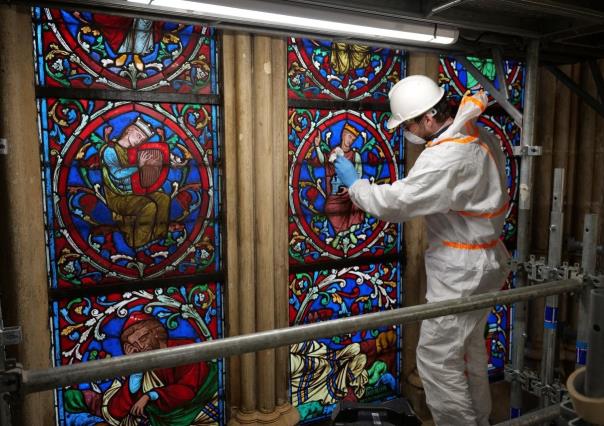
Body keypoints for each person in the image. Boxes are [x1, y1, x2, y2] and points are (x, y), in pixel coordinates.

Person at [334, 75, 510, 426]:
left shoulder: (447, 156)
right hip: (486, 258)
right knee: (469, 351)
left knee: (436, 359)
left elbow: (398, 202)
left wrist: (355, 185)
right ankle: (481, 419)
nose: (407, 132)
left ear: (429, 118)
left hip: (462, 269)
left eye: (408, 124)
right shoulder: (475, 132)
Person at [103, 312, 217, 425]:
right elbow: (116, 411)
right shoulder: (144, 365)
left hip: (205, 411)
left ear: (156, 332)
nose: (141, 347)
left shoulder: (185, 350)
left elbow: (187, 391)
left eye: (143, 338)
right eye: (135, 345)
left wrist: (150, 395)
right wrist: (137, 369)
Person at [101, 117, 171, 250]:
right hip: (118, 196)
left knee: (163, 198)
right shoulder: (110, 150)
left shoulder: (133, 152)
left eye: (142, 139)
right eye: (138, 136)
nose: (139, 141)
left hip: (136, 191)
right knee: (148, 205)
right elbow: (117, 174)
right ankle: (139, 243)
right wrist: (139, 166)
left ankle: (157, 236)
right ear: (129, 130)